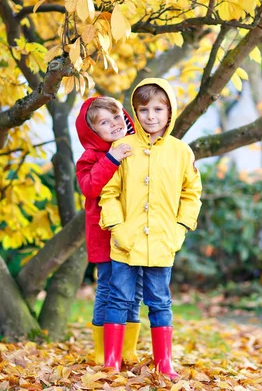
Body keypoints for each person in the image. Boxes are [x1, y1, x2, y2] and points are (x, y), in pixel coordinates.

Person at [99, 79, 202, 379]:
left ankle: (164, 363)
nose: (151, 116)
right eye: (143, 109)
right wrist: (117, 227)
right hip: (124, 241)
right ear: (135, 111)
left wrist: (180, 228)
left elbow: (191, 193)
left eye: (159, 108)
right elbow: (108, 192)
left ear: (170, 112)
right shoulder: (122, 147)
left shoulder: (181, 152)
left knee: (159, 300)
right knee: (118, 298)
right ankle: (112, 362)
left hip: (162, 242)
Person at [74, 96, 144, 366]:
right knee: (109, 288)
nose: (114, 123)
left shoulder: (136, 147)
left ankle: (127, 348)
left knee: (135, 290)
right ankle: (102, 349)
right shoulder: (90, 158)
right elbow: (90, 187)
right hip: (105, 236)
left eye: (116, 116)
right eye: (104, 122)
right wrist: (112, 158)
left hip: (135, 232)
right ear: (93, 131)